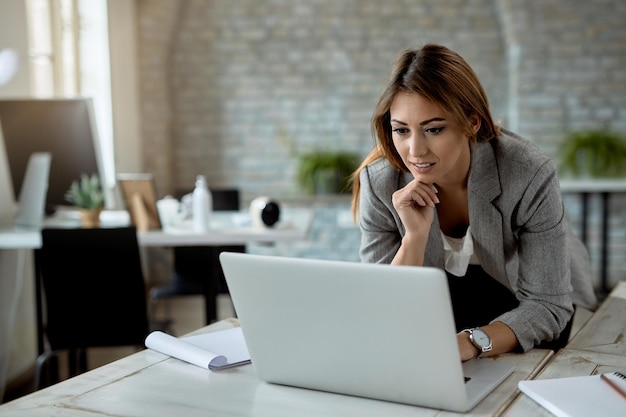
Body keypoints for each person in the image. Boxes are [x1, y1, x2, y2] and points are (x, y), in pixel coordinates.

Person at [350, 43, 597, 361]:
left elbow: (547, 305)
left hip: (527, 299)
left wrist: (468, 343)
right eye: (401, 130)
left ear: (472, 123)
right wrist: (414, 238)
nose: (415, 150)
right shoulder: (381, 182)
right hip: (448, 302)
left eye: (434, 129)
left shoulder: (526, 172)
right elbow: (381, 310)